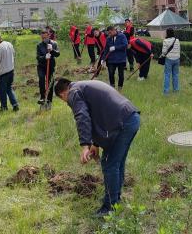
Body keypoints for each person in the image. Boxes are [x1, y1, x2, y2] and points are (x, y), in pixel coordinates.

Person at [54, 78, 141, 217]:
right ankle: (115, 200)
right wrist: (96, 144)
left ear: (62, 95)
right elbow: (97, 114)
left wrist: (85, 145)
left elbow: (82, 116)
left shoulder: (73, 93)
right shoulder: (83, 86)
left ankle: (109, 208)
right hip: (130, 117)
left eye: (64, 100)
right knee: (116, 163)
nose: (67, 102)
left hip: (121, 123)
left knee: (109, 164)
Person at [0, 33, 19, 112]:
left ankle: (4, 107)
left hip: (3, 73)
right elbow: (13, 53)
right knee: (9, 88)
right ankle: (15, 104)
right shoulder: (9, 44)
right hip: (11, 70)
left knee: (2, 91)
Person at [36, 30, 60, 106]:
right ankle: (43, 97)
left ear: (48, 36)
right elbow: (38, 57)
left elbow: (58, 54)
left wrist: (52, 50)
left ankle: (49, 100)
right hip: (41, 66)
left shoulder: (54, 43)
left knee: (50, 82)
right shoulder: (39, 45)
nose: (44, 39)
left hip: (51, 66)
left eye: (45, 37)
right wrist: (44, 57)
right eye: (42, 38)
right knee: (42, 80)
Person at [103, 26, 128, 90]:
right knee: (111, 73)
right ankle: (112, 87)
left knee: (121, 74)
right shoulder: (108, 38)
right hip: (111, 59)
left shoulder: (122, 36)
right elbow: (106, 49)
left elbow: (125, 45)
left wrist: (115, 47)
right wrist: (103, 59)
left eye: (110, 32)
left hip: (121, 59)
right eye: (108, 33)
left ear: (114, 30)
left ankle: (120, 87)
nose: (109, 34)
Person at [161, 28, 181, 94]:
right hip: (177, 59)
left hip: (169, 59)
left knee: (167, 75)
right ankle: (176, 90)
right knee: (176, 75)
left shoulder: (165, 41)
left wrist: (162, 55)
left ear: (167, 33)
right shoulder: (177, 40)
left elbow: (163, 52)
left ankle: (166, 91)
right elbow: (179, 49)